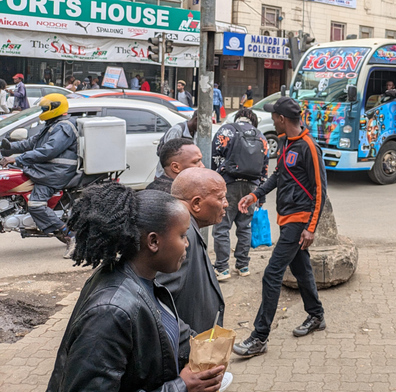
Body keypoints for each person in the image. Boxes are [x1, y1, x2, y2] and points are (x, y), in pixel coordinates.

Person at [47, 183, 225, 392]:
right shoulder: (111, 310)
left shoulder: (145, 283)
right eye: (182, 236)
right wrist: (180, 387)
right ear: (153, 242)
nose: (187, 244)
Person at [233, 96, 327, 358]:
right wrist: (255, 194)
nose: (272, 120)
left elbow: (321, 190)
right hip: (287, 217)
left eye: (274, 116)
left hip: (299, 221)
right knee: (301, 269)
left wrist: (311, 227)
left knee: (272, 274)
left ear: (283, 119)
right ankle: (317, 316)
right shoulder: (286, 142)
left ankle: (259, 337)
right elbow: (278, 175)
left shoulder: (309, 146)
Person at [0, 94, 77, 257]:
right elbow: (30, 143)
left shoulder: (64, 127)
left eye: (44, 109)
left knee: (35, 204)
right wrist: (8, 147)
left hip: (54, 172)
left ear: (55, 108)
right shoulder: (52, 125)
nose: (42, 112)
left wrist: (17, 158)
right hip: (45, 170)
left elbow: (48, 151)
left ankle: (71, 236)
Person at [155, 168, 228, 335]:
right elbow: (158, 305)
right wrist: (187, 344)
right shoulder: (182, 236)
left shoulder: (187, 230)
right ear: (196, 204)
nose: (226, 203)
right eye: (221, 197)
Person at [212, 108, 269, 281]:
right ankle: (243, 266)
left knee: (222, 227)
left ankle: (222, 268)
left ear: (238, 118)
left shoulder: (227, 130)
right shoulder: (262, 136)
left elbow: (214, 157)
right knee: (245, 227)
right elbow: (264, 168)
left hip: (228, 184)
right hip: (252, 189)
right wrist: (261, 196)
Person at [155, 111, 198, 177]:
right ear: (196, 120)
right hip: (167, 172)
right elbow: (169, 154)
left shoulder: (195, 132)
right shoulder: (177, 130)